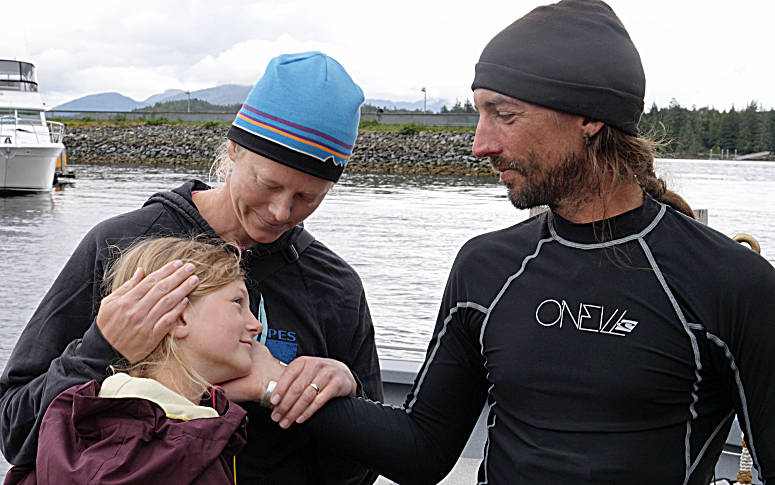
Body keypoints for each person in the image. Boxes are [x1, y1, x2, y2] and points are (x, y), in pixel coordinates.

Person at [293, 1, 775, 484]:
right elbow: (422, 450)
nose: (481, 143)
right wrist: (281, 386)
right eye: (480, 113)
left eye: (503, 114)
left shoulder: (732, 284)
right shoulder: (486, 266)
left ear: (589, 117)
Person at [0, 52, 382, 485]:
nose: (280, 211)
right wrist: (99, 350)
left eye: (307, 197)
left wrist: (345, 396)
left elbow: (358, 475)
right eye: (268, 184)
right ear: (234, 148)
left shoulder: (334, 287)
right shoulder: (120, 246)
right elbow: (15, 432)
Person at [5, 237, 261, 485]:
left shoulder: (78, 421)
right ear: (179, 318)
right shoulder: (177, 446)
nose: (256, 326)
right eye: (238, 303)